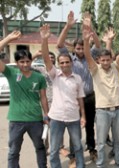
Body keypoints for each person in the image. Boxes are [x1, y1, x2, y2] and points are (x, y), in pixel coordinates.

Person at [82, 13, 119, 168]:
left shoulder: (116, 66)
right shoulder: (95, 69)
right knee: (101, 142)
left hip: (118, 110)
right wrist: (86, 40)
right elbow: (87, 55)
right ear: (99, 61)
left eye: (108, 59)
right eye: (103, 60)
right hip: (102, 111)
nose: (106, 62)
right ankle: (101, 164)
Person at [56, 11, 100, 163]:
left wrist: (89, 28)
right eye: (78, 48)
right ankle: (74, 155)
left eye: (82, 48)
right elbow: (59, 44)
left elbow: (98, 44)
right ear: (74, 49)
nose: (81, 50)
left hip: (89, 97)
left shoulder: (90, 56)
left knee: (89, 126)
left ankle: (92, 149)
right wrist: (67, 27)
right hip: (74, 99)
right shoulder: (69, 59)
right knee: (73, 128)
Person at [0, 31, 49, 168]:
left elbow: (43, 98)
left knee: (40, 148)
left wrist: (46, 115)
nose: (25, 64)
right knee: (14, 151)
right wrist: (8, 38)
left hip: (36, 120)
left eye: (27, 61)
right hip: (16, 120)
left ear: (31, 61)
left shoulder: (39, 77)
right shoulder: (11, 73)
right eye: (22, 62)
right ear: (17, 62)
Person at [40, 24, 86, 168]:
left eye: (67, 62)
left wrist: (83, 116)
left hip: (74, 118)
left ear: (71, 63)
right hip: (57, 118)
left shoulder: (77, 78)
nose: (65, 64)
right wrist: (45, 40)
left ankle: (80, 166)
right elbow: (47, 58)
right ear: (58, 64)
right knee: (54, 150)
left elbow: (80, 99)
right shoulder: (55, 75)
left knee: (78, 147)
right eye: (62, 63)